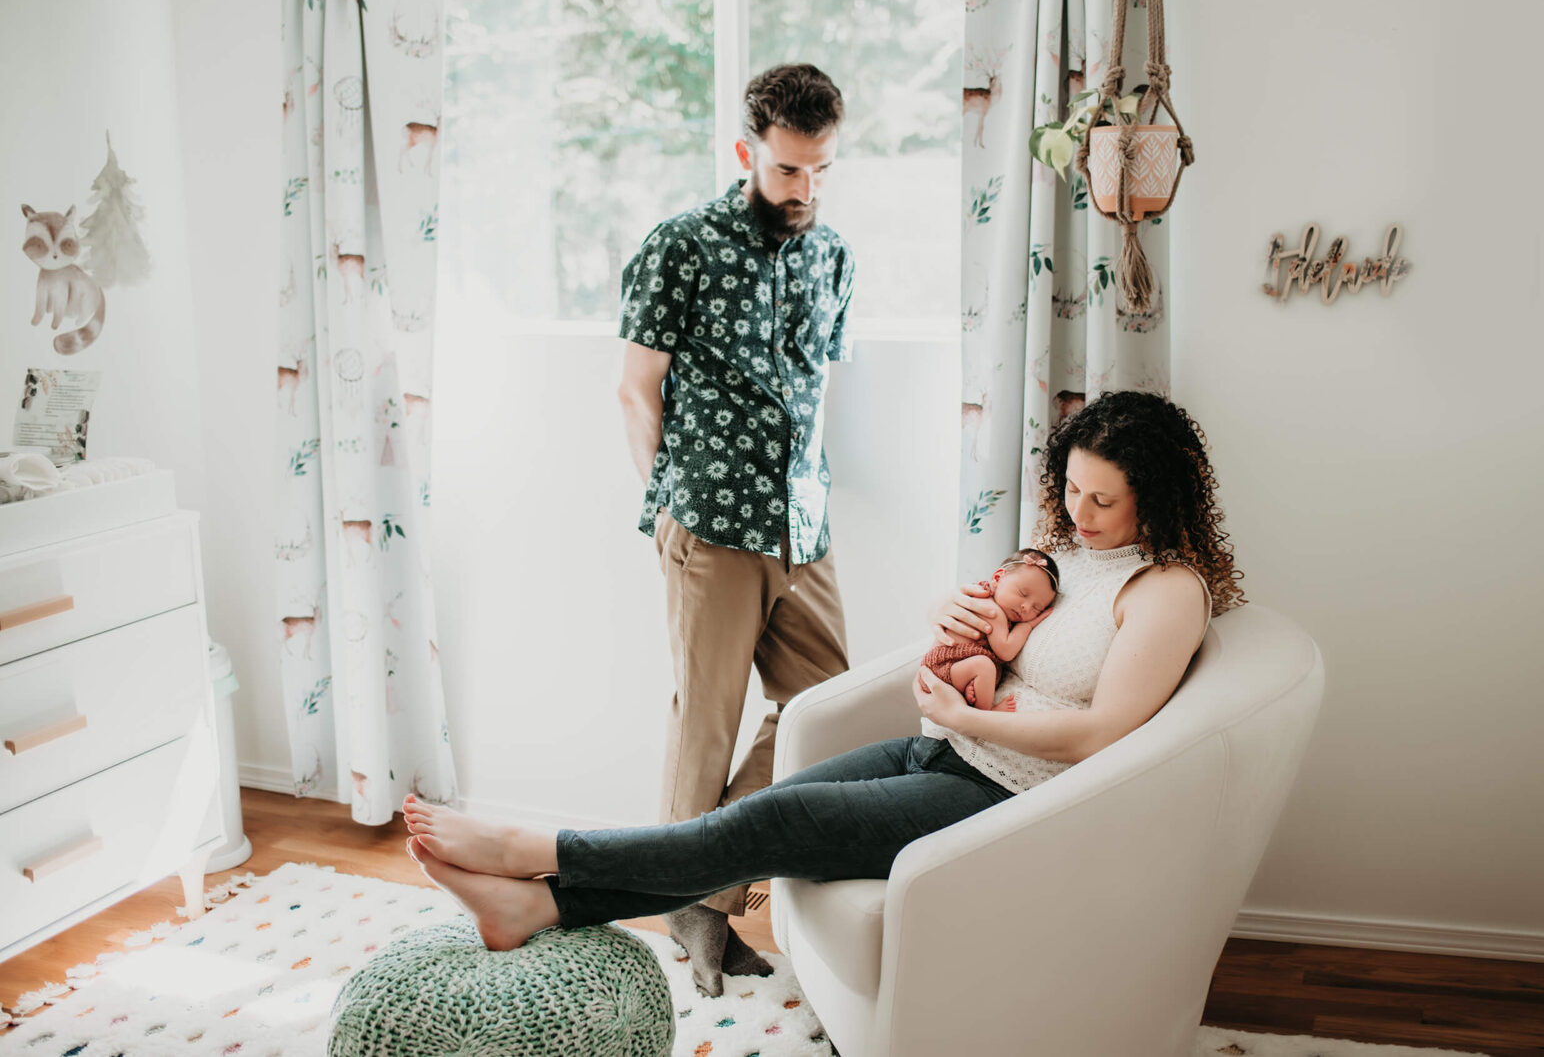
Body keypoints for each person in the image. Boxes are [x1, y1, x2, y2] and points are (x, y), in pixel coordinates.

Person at [403, 391, 1246, 954]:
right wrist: (956, 620)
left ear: (1158, 498)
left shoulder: (1167, 592)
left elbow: (1103, 734)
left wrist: (971, 721)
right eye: (1070, 490)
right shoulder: (1072, 555)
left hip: (1005, 801)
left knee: (754, 831)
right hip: (943, 757)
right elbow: (1015, 632)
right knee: (768, 812)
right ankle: (541, 906)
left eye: (1104, 501)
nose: (1079, 514)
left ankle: (529, 849)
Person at [612, 63, 856, 996]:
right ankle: (695, 901)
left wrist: (811, 495)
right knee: (704, 727)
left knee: (826, 714)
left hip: (805, 523)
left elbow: (819, 384)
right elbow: (637, 390)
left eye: (823, 169)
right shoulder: (680, 246)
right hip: (710, 522)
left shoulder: (831, 253)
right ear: (748, 150)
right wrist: (669, 505)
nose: (807, 189)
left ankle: (698, 887)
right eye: (792, 169)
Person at [919, 548, 1058, 712]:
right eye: (1022, 593)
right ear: (998, 578)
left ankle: (968, 690)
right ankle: (986, 712)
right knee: (984, 666)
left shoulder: (994, 602)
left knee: (981, 667)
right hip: (941, 670)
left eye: (1037, 608)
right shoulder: (992, 611)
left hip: (953, 670)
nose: (1026, 607)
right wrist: (1027, 626)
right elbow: (1006, 651)